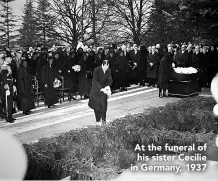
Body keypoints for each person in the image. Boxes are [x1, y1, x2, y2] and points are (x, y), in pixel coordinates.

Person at [88, 60, 113, 125]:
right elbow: (95, 81)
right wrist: (101, 88)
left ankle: (104, 120)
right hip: (96, 90)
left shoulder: (109, 70)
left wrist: (108, 86)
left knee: (103, 106)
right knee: (96, 106)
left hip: (104, 90)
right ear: (102, 65)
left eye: (107, 67)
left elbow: (110, 79)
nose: (106, 69)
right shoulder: (96, 70)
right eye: (105, 67)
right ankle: (98, 120)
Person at [0, 57, 16, 123]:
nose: (11, 59)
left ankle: (10, 116)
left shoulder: (8, 66)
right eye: (9, 58)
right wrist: (6, 85)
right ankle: (8, 117)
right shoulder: (4, 67)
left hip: (10, 84)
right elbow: (4, 78)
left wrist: (14, 85)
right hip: (7, 85)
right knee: (7, 102)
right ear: (6, 59)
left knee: (10, 101)